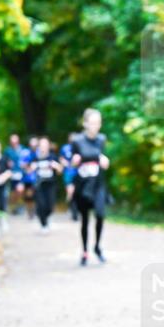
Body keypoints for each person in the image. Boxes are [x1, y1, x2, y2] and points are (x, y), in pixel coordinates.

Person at [71, 109, 111, 266]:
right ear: (85, 123)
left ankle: (97, 247)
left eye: (98, 122)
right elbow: (72, 161)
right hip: (83, 186)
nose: (96, 126)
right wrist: (74, 161)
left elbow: (104, 159)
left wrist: (105, 161)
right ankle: (85, 251)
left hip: (98, 184)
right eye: (93, 122)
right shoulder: (77, 140)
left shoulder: (102, 139)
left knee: (100, 215)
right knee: (85, 220)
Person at [27, 136, 62, 232]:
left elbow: (60, 171)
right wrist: (32, 168)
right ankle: (43, 224)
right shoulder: (35, 157)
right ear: (39, 146)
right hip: (39, 185)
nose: (43, 147)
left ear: (48, 146)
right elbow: (28, 171)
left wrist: (56, 166)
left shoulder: (53, 157)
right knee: (41, 205)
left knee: (50, 205)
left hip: (51, 184)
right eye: (41, 145)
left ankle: (47, 218)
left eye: (45, 145)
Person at [4, 134, 25, 215]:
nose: (14, 143)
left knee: (20, 190)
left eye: (15, 142)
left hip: (21, 173)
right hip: (12, 174)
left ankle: (20, 206)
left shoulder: (23, 149)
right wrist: (7, 163)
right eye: (12, 142)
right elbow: (4, 161)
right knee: (13, 192)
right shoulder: (7, 151)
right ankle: (14, 206)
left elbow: (27, 159)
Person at [59, 133, 79, 221]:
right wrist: (65, 163)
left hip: (79, 173)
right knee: (71, 192)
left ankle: (76, 210)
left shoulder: (80, 147)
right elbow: (61, 158)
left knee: (78, 193)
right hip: (68, 172)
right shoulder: (65, 148)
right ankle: (73, 210)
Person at [21, 136, 38, 220]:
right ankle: (29, 211)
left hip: (38, 178)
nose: (34, 145)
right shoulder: (25, 152)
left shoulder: (39, 152)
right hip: (28, 179)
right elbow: (22, 164)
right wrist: (29, 167)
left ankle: (35, 210)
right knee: (28, 197)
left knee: (36, 195)